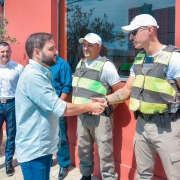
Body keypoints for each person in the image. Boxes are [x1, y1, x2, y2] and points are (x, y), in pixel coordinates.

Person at [91, 14, 180, 180]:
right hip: (142, 125)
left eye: (134, 32)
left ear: (150, 30)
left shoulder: (174, 59)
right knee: (143, 175)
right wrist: (107, 100)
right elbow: (127, 91)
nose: (130, 37)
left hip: (168, 127)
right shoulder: (139, 59)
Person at [15, 32, 106, 180]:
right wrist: (90, 106)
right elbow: (60, 108)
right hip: (34, 151)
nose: (56, 52)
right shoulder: (33, 77)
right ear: (37, 52)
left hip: (42, 148)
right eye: (51, 49)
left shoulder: (44, 72)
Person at [72, 33, 122, 180]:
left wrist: (108, 110)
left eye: (90, 45)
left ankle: (108, 177)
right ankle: (86, 176)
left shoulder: (106, 66)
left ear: (99, 47)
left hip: (100, 119)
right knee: (84, 150)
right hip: (82, 117)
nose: (86, 48)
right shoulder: (80, 63)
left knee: (105, 153)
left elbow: (120, 93)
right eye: (84, 45)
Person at [0, 42, 24, 176]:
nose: (5, 54)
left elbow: (24, 87)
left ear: (10, 51)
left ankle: (8, 163)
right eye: (2, 51)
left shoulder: (18, 68)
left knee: (11, 135)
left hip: (12, 104)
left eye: (7, 51)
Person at [50, 56, 72, 180]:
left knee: (61, 137)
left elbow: (66, 87)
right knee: (45, 135)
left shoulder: (63, 65)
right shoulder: (42, 63)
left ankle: (64, 164)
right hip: (43, 108)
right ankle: (48, 159)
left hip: (57, 108)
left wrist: (57, 105)